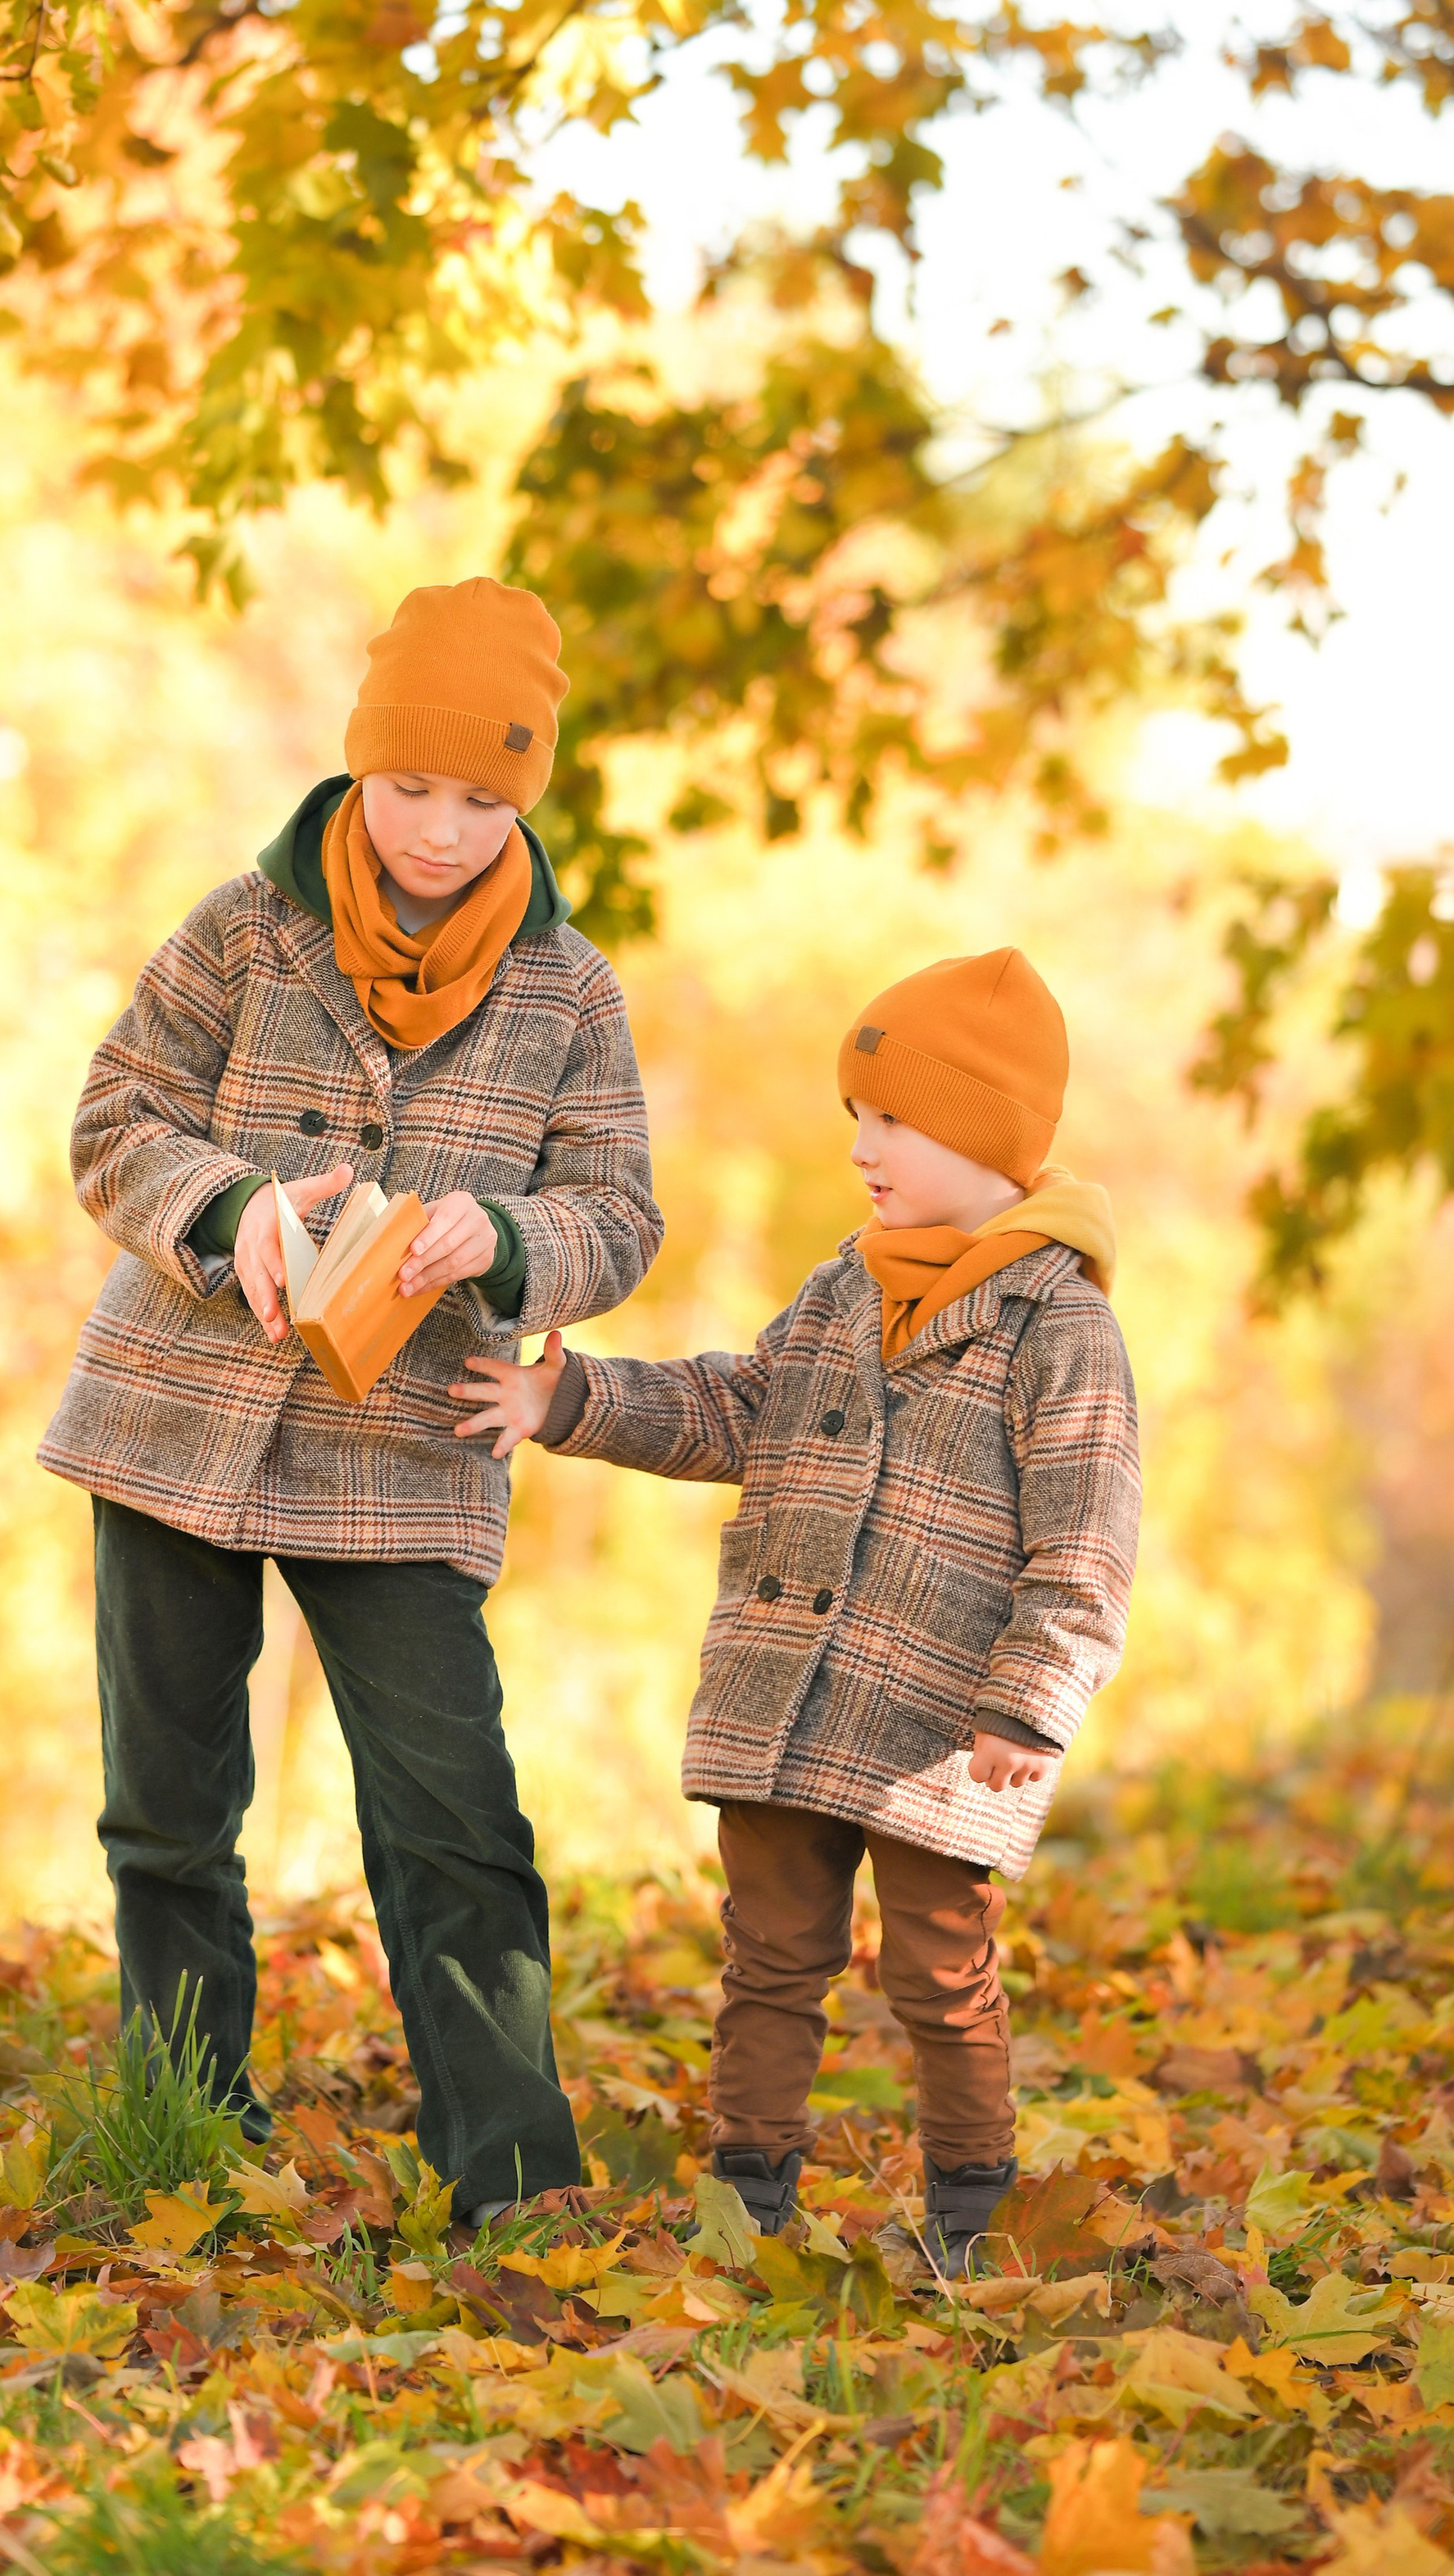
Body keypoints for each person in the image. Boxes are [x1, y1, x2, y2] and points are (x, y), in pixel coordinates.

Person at [39, 578, 663, 2222]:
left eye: (482, 800)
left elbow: (618, 1214)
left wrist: (509, 1236)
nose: (440, 831)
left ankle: (510, 2183)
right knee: (168, 1812)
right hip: (173, 1420)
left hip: (407, 1447)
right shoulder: (245, 928)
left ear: (524, 799)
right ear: (359, 765)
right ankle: (188, 2138)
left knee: (455, 1820)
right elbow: (113, 1121)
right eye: (410, 788)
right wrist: (234, 1208)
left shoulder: (570, 991)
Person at [452, 947, 1139, 2269]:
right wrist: (567, 1398)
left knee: (940, 1972)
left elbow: (1088, 1536)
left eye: (897, 1121)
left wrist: (1031, 1700)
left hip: (945, 1723)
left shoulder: (1059, 1326)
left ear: (990, 1136)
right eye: (856, 1117)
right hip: (789, 1696)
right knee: (769, 1958)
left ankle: (972, 2213)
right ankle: (747, 2201)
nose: (864, 1148)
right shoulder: (842, 1288)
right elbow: (738, 1408)